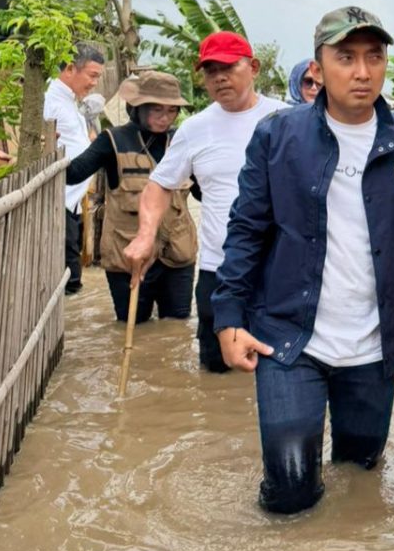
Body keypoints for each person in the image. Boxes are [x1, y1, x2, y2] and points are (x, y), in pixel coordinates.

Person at [211, 6, 394, 515]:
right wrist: (228, 316)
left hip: (374, 343)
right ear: (318, 68)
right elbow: (247, 230)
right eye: (346, 57)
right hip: (288, 338)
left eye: (374, 57)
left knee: (360, 479)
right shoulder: (279, 137)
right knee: (290, 493)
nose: (362, 72)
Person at [123, 31, 286, 372]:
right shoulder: (195, 128)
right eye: (210, 70)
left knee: (281, 370)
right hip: (220, 270)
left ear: (253, 67)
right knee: (216, 376)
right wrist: (145, 235)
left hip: (280, 270)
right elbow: (159, 185)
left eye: (228, 67)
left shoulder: (288, 121)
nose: (219, 77)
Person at [66, 70, 197, 322]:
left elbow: (204, 192)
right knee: (133, 326)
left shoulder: (183, 140)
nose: (165, 118)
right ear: (137, 108)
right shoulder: (112, 141)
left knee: (177, 328)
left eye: (171, 111)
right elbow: (74, 173)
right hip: (127, 255)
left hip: (177, 254)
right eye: (156, 110)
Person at [44, 43, 105, 294]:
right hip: (58, 201)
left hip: (71, 202)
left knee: (71, 269)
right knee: (68, 278)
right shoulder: (51, 103)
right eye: (92, 76)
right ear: (70, 68)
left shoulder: (69, 102)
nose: (94, 83)